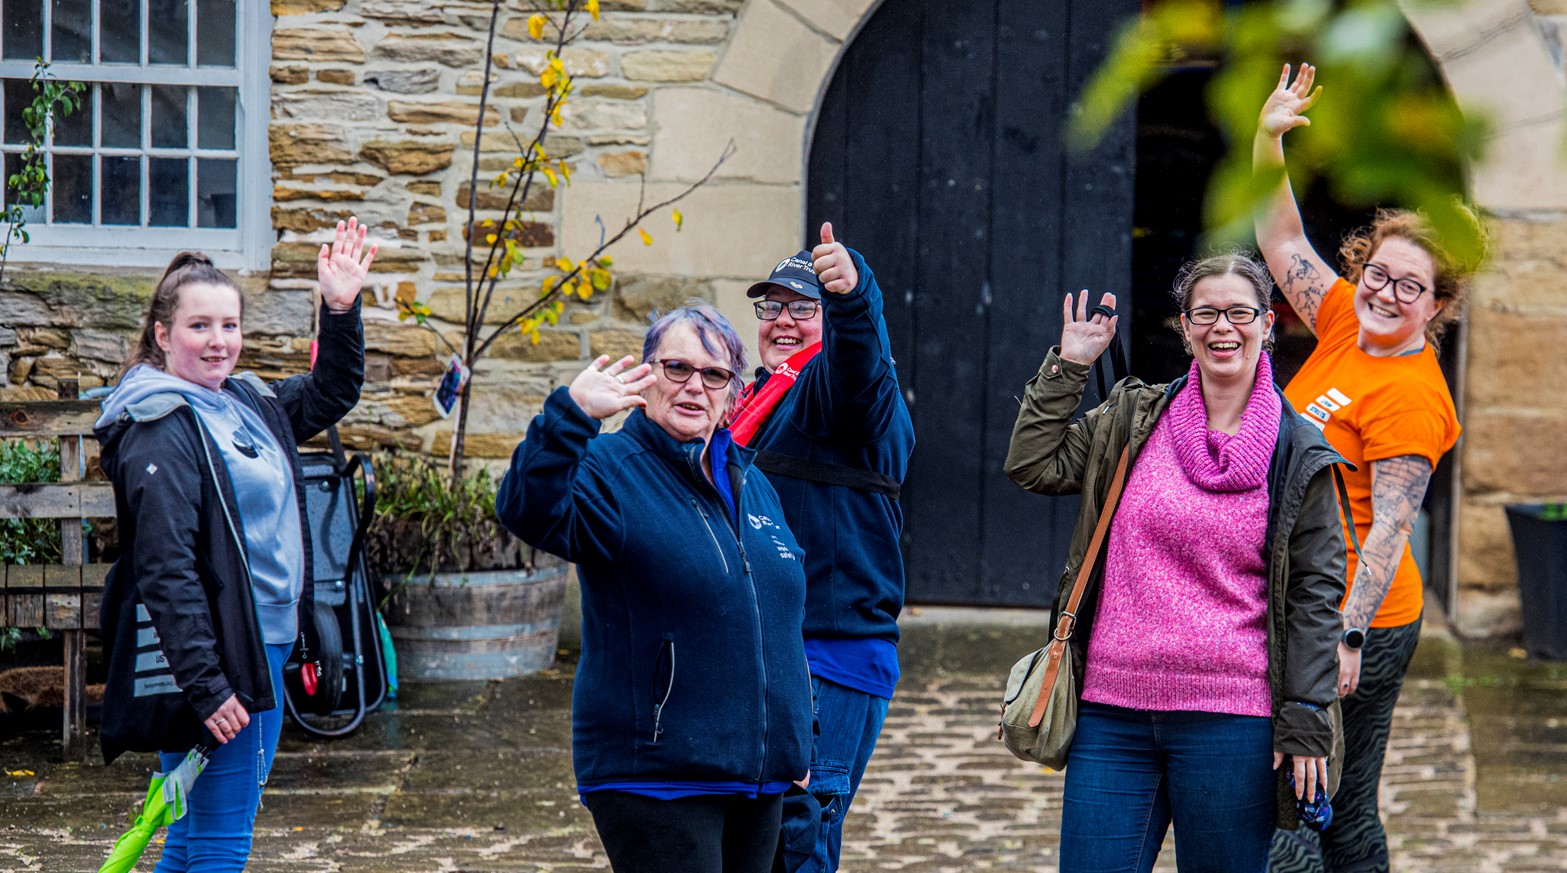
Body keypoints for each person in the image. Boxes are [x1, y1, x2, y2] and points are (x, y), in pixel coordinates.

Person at [1004, 255, 1350, 873]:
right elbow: (1034, 464)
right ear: (1185, 328)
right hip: (1112, 714)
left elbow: (1316, 597)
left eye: (1239, 313)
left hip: (1233, 724)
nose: (1224, 327)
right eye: (1206, 313)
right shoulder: (1134, 420)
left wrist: (1305, 716)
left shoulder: (1299, 451)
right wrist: (1071, 364)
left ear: (1267, 323)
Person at [95, 218, 377, 872]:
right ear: (163, 334)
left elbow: (332, 391)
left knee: (192, 836)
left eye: (229, 324)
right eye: (200, 326)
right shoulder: (160, 425)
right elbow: (165, 569)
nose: (219, 341)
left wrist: (339, 308)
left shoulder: (243, 401)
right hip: (220, 656)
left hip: (261, 642)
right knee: (222, 842)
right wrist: (208, 684)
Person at [1255, 64, 1480, 873]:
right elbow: (1281, 242)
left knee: (1293, 805)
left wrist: (1343, 635)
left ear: (1436, 302)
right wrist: (1265, 140)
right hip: (1311, 600)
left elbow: (1389, 523)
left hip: (1358, 618)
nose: (1384, 293)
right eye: (1376, 273)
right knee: (1344, 806)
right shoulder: (1346, 319)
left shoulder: (1412, 395)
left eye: (1408, 286)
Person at [495, 303, 813, 873]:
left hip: (760, 779)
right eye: (677, 369)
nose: (695, 387)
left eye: (714, 375)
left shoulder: (751, 481)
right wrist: (571, 416)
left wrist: (796, 737)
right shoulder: (608, 468)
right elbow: (526, 509)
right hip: (658, 776)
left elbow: (779, 619)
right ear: (646, 376)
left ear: (733, 393)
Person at [726, 223, 913, 873]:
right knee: (755, 846)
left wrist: (853, 295)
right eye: (771, 305)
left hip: (826, 662)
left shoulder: (846, 395)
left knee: (794, 847)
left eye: (802, 307)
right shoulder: (762, 392)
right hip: (764, 655)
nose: (782, 319)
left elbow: (857, 364)